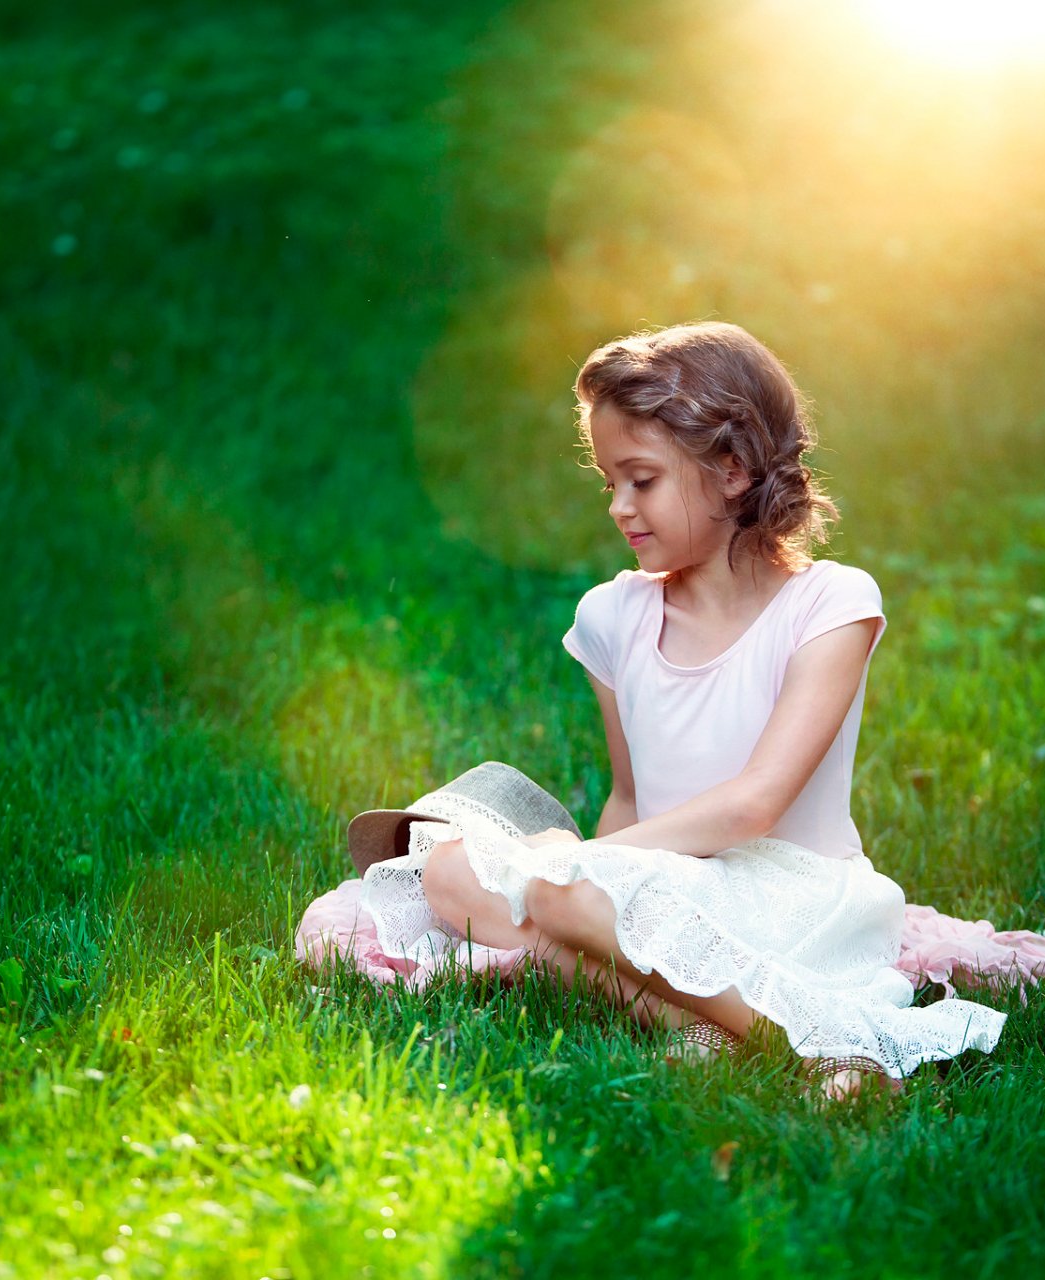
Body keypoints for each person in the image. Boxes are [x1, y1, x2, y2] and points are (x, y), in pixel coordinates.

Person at [406, 320, 1006, 1101]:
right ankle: (694, 1027)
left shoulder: (830, 603)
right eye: (609, 483)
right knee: (448, 865)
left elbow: (756, 805)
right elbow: (628, 798)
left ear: (731, 469)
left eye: (642, 480)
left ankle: (818, 1047)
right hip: (675, 878)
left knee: (554, 889)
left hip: (795, 895)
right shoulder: (611, 615)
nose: (620, 507)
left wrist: (581, 878)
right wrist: (595, 884)